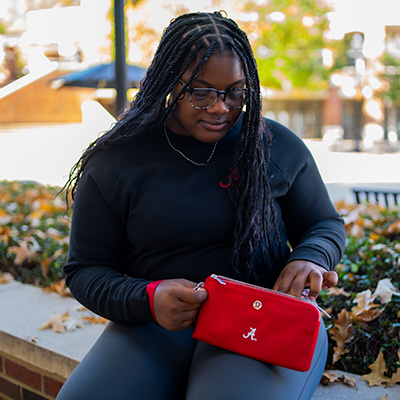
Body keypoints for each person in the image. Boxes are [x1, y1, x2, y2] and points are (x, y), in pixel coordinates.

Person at [56, 11, 346, 400]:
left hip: (262, 320)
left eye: (236, 93)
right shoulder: (116, 160)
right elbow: (85, 269)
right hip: (155, 325)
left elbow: (324, 223)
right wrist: (148, 298)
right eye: (201, 92)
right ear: (168, 82)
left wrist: (310, 257)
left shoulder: (273, 146)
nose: (221, 108)